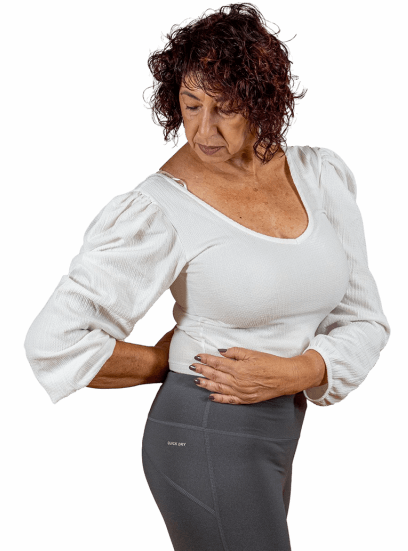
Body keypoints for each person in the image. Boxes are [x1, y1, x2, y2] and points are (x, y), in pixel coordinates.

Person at [23, 4, 391, 550]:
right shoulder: (160, 208)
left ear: (263, 101)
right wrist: (165, 363)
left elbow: (365, 320)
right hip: (203, 434)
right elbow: (54, 342)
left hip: (281, 433)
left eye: (226, 108)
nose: (202, 129)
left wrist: (302, 370)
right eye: (191, 104)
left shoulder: (321, 176)